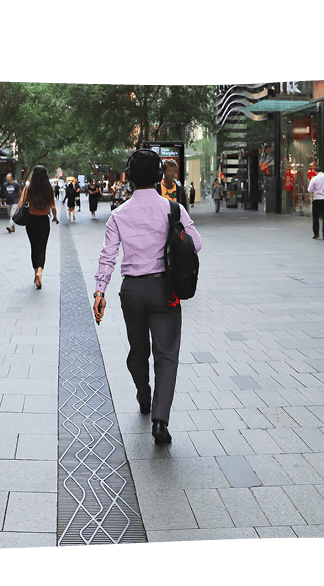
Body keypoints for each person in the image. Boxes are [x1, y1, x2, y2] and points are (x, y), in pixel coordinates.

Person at [93, 149, 202, 445]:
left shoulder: (118, 214)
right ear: (157, 176)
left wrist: (100, 292)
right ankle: (160, 420)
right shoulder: (174, 209)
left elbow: (108, 256)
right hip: (164, 290)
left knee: (138, 351)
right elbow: (197, 243)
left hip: (131, 292)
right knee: (167, 355)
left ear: (128, 178)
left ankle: (144, 393)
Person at [20, 166, 59, 289]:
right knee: (42, 247)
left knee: (34, 247)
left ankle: (35, 272)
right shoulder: (49, 189)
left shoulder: (28, 189)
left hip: (31, 220)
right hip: (43, 220)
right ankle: (40, 272)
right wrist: (55, 217)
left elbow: (21, 204)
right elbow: (53, 207)